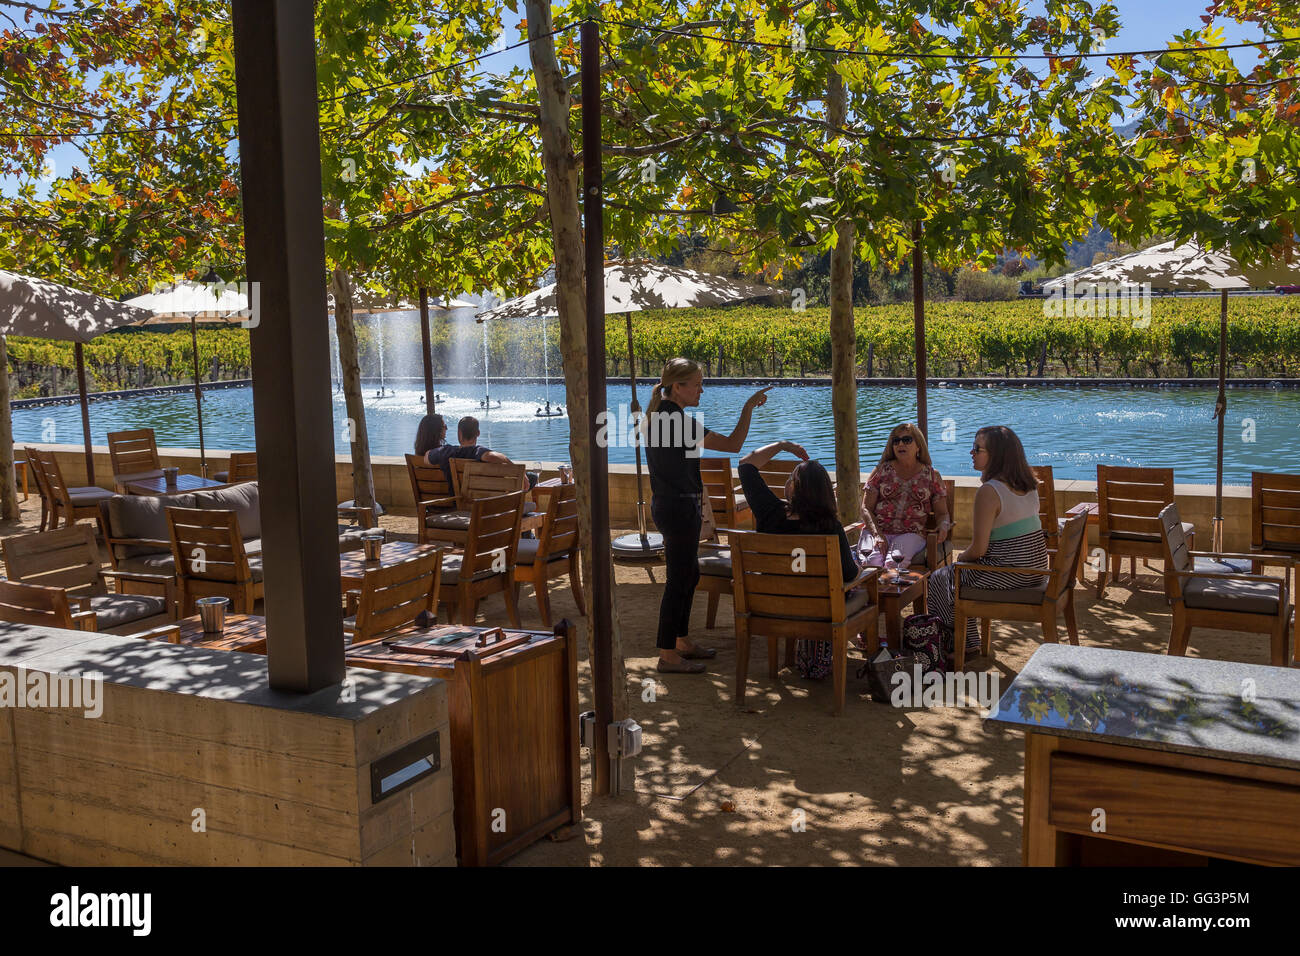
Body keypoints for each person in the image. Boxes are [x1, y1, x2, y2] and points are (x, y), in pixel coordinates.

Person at [644, 358, 772, 674]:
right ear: (678, 387)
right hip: (677, 509)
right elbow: (734, 444)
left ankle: (682, 641)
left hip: (672, 506)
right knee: (678, 579)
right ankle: (667, 653)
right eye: (698, 384)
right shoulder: (676, 420)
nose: (702, 390)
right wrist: (748, 408)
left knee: (690, 575)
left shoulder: (663, 415)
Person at [738, 440, 863, 679]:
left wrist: (783, 445)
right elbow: (848, 575)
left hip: (770, 605)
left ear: (796, 489)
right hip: (819, 609)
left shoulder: (769, 512)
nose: (786, 482)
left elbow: (745, 466)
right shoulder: (830, 526)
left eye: (791, 479)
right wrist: (861, 570)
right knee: (864, 588)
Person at [925, 425, 1049, 658]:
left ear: (996, 455)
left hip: (1011, 573)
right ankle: (967, 639)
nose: (971, 452)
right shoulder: (1029, 486)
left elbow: (979, 549)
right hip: (1037, 570)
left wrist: (961, 557)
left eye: (977, 449)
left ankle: (960, 642)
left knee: (941, 578)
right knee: (955, 574)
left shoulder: (990, 492)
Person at [860, 422, 950, 569]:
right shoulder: (880, 471)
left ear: (918, 446)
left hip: (911, 534)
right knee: (870, 563)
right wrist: (877, 534)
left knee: (894, 562)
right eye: (896, 441)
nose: (900, 444)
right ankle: (872, 592)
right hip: (877, 530)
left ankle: (889, 591)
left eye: (907, 440)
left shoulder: (931, 475)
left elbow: (942, 513)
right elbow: (865, 508)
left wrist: (944, 525)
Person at [413, 414, 511, 487]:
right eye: (444, 426)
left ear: (459, 434)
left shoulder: (429, 457)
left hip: (431, 504)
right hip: (461, 506)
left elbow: (428, 456)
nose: (447, 428)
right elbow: (491, 456)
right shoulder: (453, 452)